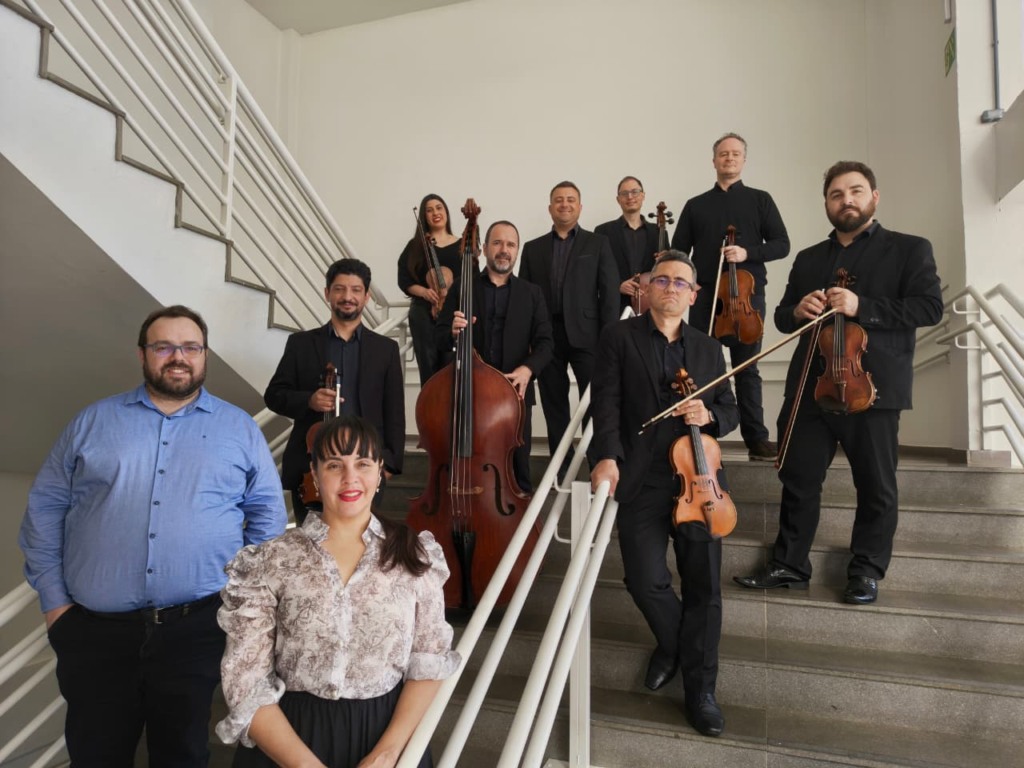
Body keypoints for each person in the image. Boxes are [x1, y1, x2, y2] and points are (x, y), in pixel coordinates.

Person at [19, 305, 287, 767]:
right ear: (143, 354)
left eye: (190, 347)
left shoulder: (239, 428)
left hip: (197, 628)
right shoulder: (92, 422)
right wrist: (55, 604)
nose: (178, 357)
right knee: (96, 755)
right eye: (164, 346)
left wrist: (244, 602)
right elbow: (45, 508)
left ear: (204, 356)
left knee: (182, 754)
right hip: (94, 632)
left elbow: (266, 519)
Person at [734, 161, 943, 605]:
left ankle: (865, 571)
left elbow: (928, 308)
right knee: (799, 478)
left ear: (874, 197)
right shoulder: (809, 258)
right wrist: (797, 311)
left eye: (856, 191)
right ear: (826, 203)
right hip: (810, 386)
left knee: (876, 485)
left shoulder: (909, 249)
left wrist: (861, 305)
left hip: (871, 387)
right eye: (836, 194)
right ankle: (790, 564)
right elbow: (781, 316)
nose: (846, 200)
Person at [216, 415, 460, 767]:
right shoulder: (270, 560)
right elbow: (245, 679)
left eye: (363, 463)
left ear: (380, 472)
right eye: (334, 465)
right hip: (290, 739)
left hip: (387, 739)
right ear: (315, 475)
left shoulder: (414, 555)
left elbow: (429, 661)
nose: (350, 478)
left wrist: (387, 754)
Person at [589, 251, 739, 738]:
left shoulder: (709, 349)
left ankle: (702, 693)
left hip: (698, 480)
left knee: (704, 587)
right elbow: (606, 402)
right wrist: (606, 456)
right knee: (643, 579)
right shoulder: (618, 337)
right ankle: (677, 644)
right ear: (648, 287)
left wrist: (709, 416)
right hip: (643, 476)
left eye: (681, 283)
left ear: (693, 295)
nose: (671, 288)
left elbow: (730, 410)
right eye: (663, 280)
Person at [671, 133, 790, 461]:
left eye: (736, 154)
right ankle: (702, 436)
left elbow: (782, 244)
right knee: (702, 368)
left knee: (747, 369)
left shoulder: (760, 200)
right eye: (723, 154)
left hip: (748, 300)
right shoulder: (696, 205)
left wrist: (747, 252)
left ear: (744, 160)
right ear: (714, 161)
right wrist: (689, 283)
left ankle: (756, 439)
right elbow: (678, 251)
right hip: (707, 298)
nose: (729, 158)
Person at [265, 258, 405, 525]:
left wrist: (388, 464)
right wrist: (309, 400)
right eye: (339, 289)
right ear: (327, 293)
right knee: (312, 542)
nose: (347, 297)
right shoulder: (300, 344)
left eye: (355, 290)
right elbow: (274, 395)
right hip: (312, 470)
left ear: (366, 296)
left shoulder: (385, 349)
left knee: (362, 540)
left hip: (366, 466)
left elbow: (394, 412)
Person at [448, 220, 554, 493]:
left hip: (514, 393)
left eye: (510, 244)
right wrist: (451, 332)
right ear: (484, 248)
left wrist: (528, 369)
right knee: (466, 465)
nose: (504, 249)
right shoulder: (462, 288)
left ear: (517, 251)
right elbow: (437, 338)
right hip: (470, 392)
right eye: (497, 243)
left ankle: (521, 519)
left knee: (518, 470)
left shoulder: (532, 294)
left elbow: (546, 343)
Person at [519, 181, 620, 463]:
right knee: (554, 404)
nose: (565, 204)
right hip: (546, 337)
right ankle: (561, 465)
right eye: (559, 200)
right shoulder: (532, 248)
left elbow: (609, 294)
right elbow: (524, 299)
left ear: (580, 206)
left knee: (594, 401)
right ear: (550, 207)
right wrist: (528, 340)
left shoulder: (598, 243)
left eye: (570, 199)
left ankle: (598, 464)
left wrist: (608, 337)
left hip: (589, 336)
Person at [397, 194, 462, 385]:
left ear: (446, 212)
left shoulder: (461, 245)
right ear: (424, 217)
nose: (435, 213)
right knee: (428, 362)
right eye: (429, 210)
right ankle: (429, 398)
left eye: (439, 207)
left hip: (452, 310)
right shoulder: (416, 245)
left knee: (451, 364)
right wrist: (424, 292)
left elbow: (472, 279)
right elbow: (404, 278)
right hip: (424, 309)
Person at [594, 175, 661, 311]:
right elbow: (596, 270)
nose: (630, 197)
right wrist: (617, 286)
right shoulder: (603, 231)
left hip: (650, 305)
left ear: (643, 195)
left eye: (635, 192)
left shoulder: (658, 232)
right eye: (624, 193)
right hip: (616, 305)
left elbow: (667, 271)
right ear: (618, 199)